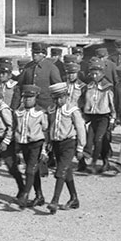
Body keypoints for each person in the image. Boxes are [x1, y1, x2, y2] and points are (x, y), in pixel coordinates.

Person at [46, 82, 86, 212]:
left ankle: (54, 201)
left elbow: (80, 128)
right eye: (55, 98)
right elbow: (49, 127)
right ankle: (74, 198)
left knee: (60, 171)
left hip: (69, 143)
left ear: (66, 96)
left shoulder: (72, 110)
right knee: (66, 171)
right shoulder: (51, 109)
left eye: (60, 98)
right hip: (57, 144)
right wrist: (49, 142)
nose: (58, 101)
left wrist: (80, 147)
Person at [12, 85, 49, 208]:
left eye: (31, 97)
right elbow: (16, 128)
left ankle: (25, 194)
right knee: (33, 171)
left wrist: (44, 150)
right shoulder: (18, 112)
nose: (27, 100)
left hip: (36, 143)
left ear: (35, 98)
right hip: (24, 144)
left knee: (30, 169)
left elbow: (45, 131)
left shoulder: (40, 113)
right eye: (25, 97)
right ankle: (39, 196)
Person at [80, 61, 116, 174]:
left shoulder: (108, 87)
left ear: (102, 73)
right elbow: (83, 102)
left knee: (98, 139)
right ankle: (106, 162)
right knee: (92, 139)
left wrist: (113, 119)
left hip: (104, 117)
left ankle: (94, 163)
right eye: (92, 74)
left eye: (96, 73)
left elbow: (112, 105)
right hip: (92, 117)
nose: (94, 76)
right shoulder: (88, 87)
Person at [16, 42, 62, 108]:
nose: (34, 54)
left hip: (46, 105)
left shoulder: (51, 67)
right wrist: (14, 106)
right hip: (30, 106)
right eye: (33, 52)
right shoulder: (28, 67)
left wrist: (56, 106)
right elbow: (19, 87)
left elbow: (58, 89)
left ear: (44, 54)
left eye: (37, 53)